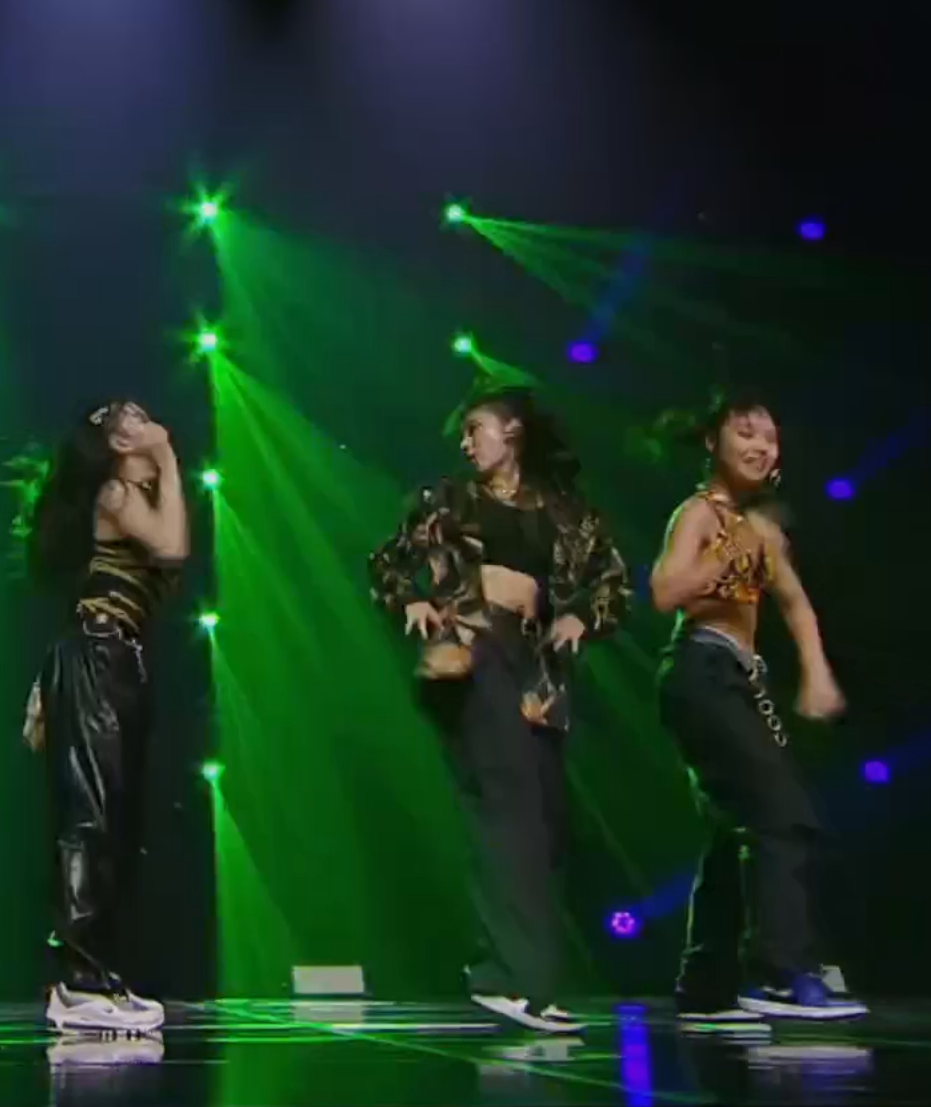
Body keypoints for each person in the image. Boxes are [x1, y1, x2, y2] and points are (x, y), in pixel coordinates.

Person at [368, 385, 631, 1035]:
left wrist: (580, 615)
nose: (465, 442)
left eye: (475, 428)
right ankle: (515, 980)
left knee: (545, 816)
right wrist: (410, 601)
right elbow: (386, 564)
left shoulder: (567, 512)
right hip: (471, 654)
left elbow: (612, 582)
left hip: (536, 670)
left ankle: (513, 971)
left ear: (511, 430)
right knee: (508, 802)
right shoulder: (446, 501)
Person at [647, 394, 865, 1022]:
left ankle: (706, 983)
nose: (762, 446)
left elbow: (794, 603)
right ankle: (782, 971)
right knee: (780, 813)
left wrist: (816, 672)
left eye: (770, 437)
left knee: (732, 828)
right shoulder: (697, 514)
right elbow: (664, 592)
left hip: (738, 678)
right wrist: (727, 548)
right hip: (700, 669)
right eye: (746, 433)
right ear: (712, 443)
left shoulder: (760, 530)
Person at [12, 399, 190, 1033]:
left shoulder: (131, 496)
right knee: (90, 817)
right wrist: (167, 456)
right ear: (118, 442)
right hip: (98, 655)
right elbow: (173, 547)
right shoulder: (116, 493)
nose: (152, 423)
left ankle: (100, 972)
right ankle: (76, 979)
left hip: (112, 659)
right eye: (137, 420)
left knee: (116, 822)